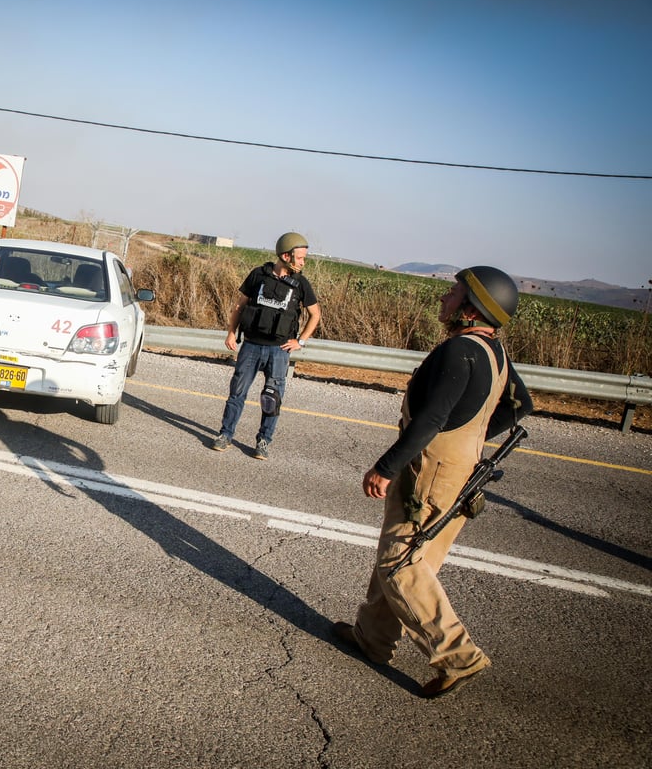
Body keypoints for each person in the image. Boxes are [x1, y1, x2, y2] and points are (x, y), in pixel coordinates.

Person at [332, 266, 532, 699]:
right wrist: (470, 436)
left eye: (453, 291)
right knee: (409, 554)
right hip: (460, 469)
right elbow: (521, 404)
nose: (444, 297)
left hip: (431, 470)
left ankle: (458, 656)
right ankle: (373, 638)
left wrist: (386, 467)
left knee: (399, 563)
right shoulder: (493, 351)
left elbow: (432, 419)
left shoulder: (460, 350)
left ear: (471, 306)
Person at [211, 231, 321, 458]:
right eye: (300, 257)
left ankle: (263, 441)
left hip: (279, 351)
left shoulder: (300, 283)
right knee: (236, 394)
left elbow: (315, 315)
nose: (303, 262)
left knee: (271, 398)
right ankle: (225, 435)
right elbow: (239, 307)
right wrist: (231, 333)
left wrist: (300, 341)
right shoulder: (258, 276)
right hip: (251, 345)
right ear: (286, 255)